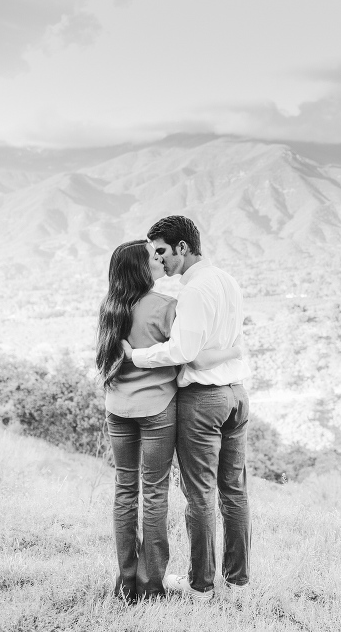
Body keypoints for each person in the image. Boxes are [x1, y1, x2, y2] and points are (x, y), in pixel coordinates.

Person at [96, 239, 239, 602]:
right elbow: (185, 356)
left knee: (125, 492)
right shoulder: (166, 307)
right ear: (141, 269)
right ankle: (151, 584)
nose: (159, 259)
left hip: (117, 408)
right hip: (156, 410)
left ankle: (127, 582)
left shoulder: (110, 307)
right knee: (155, 492)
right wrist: (234, 350)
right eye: (152, 257)